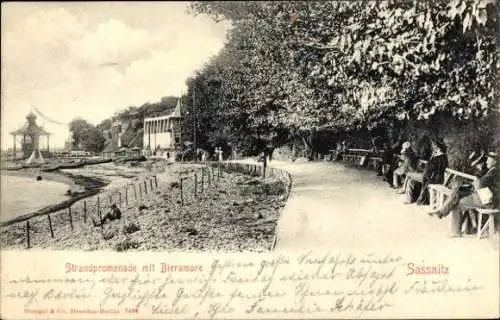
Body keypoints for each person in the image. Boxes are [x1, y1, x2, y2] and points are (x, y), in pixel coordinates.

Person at [428, 151, 498, 237]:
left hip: (489, 202)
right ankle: (443, 213)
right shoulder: (492, 171)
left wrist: (476, 183)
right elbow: (480, 183)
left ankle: (455, 231)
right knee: (457, 195)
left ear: (495, 161)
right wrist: (475, 184)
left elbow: (480, 184)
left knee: (457, 203)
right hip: (486, 198)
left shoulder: (494, 172)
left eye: (489, 160)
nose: (487, 161)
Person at [404, 138, 448, 205]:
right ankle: (409, 199)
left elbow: (430, 169)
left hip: (430, 178)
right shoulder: (441, 157)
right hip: (430, 176)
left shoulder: (439, 158)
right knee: (411, 181)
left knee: (409, 174)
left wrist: (431, 159)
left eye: (435, 148)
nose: (434, 149)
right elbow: (429, 168)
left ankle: (406, 194)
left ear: (438, 149)